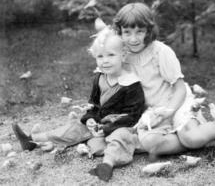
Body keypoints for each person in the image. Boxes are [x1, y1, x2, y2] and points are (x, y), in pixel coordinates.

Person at [89, 2, 215, 181]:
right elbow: (106, 58)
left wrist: (168, 112)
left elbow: (179, 90)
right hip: (149, 111)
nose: (133, 38)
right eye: (127, 32)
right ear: (120, 32)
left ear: (149, 31)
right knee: (151, 145)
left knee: (191, 138)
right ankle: (214, 140)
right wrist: (95, 115)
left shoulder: (160, 52)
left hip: (175, 101)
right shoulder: (122, 53)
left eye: (140, 31)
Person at [12, 27, 146, 157]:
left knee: (98, 148)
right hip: (97, 125)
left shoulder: (131, 84)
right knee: (73, 130)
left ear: (123, 55)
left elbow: (133, 116)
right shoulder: (99, 78)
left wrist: (107, 128)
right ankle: (31, 140)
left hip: (118, 128)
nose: (105, 61)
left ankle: (102, 144)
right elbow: (93, 105)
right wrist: (90, 119)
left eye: (111, 55)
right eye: (100, 56)